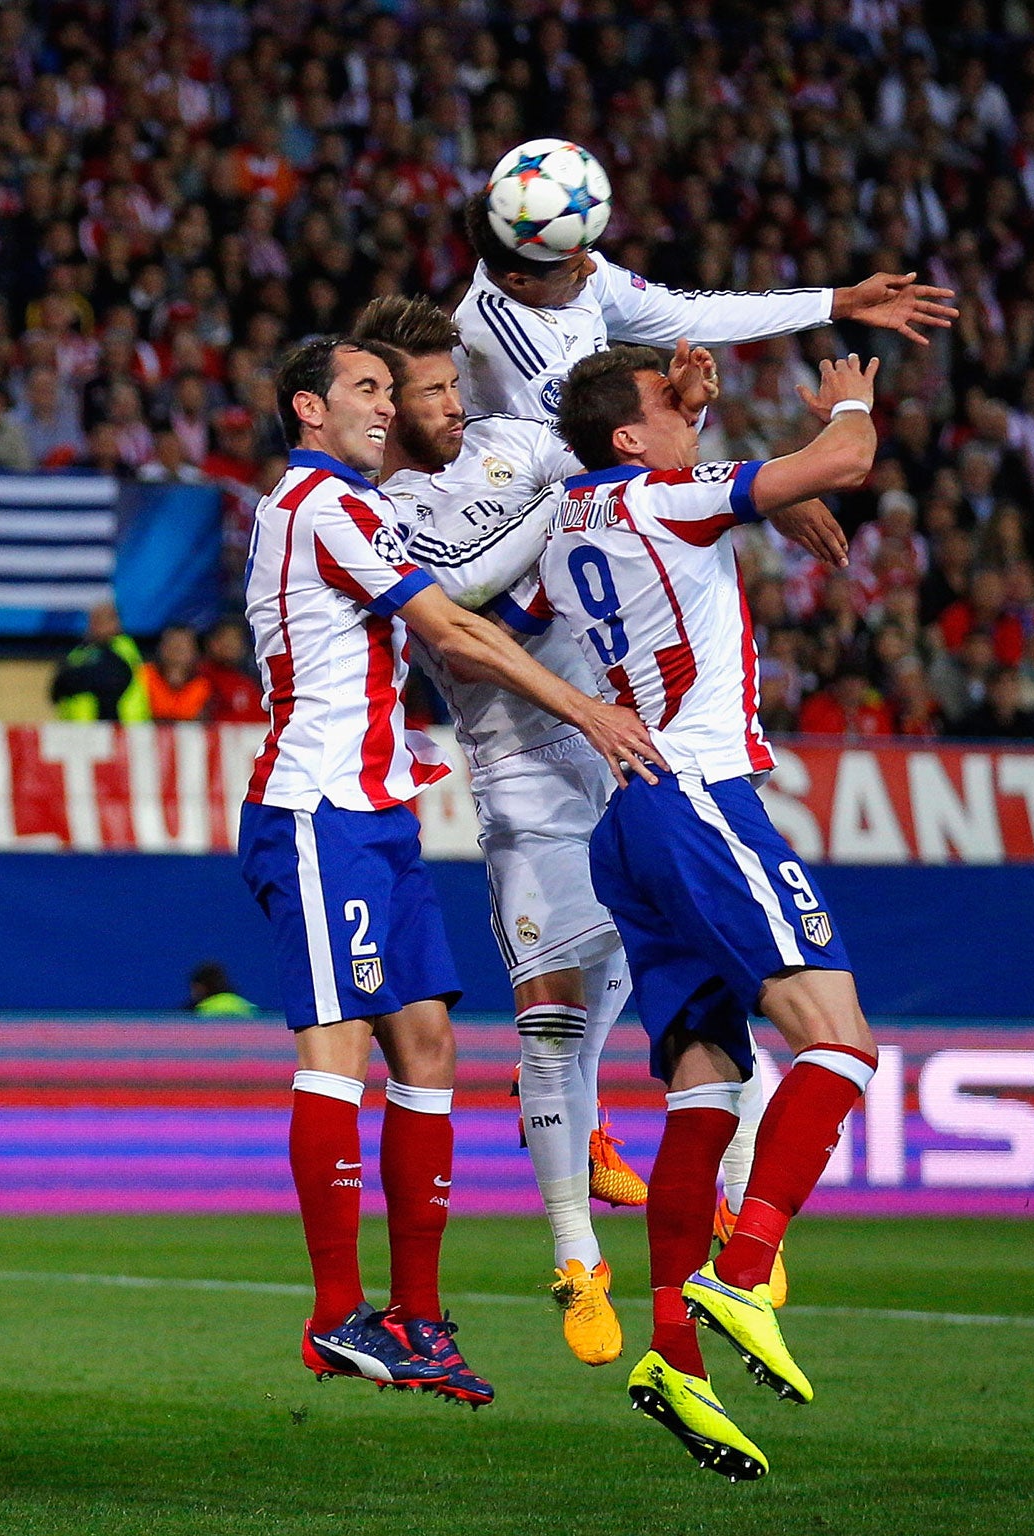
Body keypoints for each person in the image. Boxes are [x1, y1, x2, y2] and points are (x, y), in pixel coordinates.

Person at [356, 296, 851, 1365]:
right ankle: (578, 1262)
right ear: (383, 405)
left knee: (696, 1002)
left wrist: (715, 454)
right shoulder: (376, 517)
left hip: (625, 751)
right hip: (523, 769)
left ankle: (725, 1215)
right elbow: (475, 596)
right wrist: (740, 486)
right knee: (550, 1020)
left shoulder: (519, 443)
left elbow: (613, 462)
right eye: (431, 390)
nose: (454, 403)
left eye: (453, 381)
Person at [239, 334, 662, 1404]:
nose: (386, 407)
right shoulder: (315, 504)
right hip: (316, 807)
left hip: (375, 813)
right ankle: (338, 1315)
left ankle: (417, 1318)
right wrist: (585, 709)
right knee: (336, 1048)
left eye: (397, 389)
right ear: (307, 408)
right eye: (366, 390)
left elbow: (476, 590)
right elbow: (448, 630)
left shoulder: (362, 506)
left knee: (427, 1049)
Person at [514, 344, 883, 1480]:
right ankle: (742, 1264)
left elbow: (531, 605)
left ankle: (671, 1353)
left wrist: (712, 426)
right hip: (699, 799)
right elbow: (847, 456)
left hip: (623, 822)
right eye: (665, 410)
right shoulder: (668, 497)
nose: (686, 418)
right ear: (628, 437)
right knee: (839, 1041)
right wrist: (843, 405)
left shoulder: (568, 515)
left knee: (706, 1086)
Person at [454, 174, 957, 426]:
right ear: (519, 281)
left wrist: (840, 301)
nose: (592, 269)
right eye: (575, 266)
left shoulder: (571, 267)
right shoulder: (498, 334)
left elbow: (694, 314)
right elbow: (585, 447)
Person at [50, 600, 147, 721]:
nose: (96, 625)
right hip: (78, 732)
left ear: (117, 622)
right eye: (93, 620)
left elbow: (106, 677)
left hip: (119, 731)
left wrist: (73, 679)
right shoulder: (78, 653)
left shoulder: (124, 647)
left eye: (103, 620)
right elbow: (56, 688)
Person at [144, 624, 211, 720]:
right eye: (172, 643)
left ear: (195, 652)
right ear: (160, 648)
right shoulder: (144, 676)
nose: (177, 649)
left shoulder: (204, 684)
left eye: (183, 645)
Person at [188, 962, 257, 1018]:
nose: (192, 992)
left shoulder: (201, 1011)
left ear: (201, 987)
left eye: (194, 987)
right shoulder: (245, 1007)